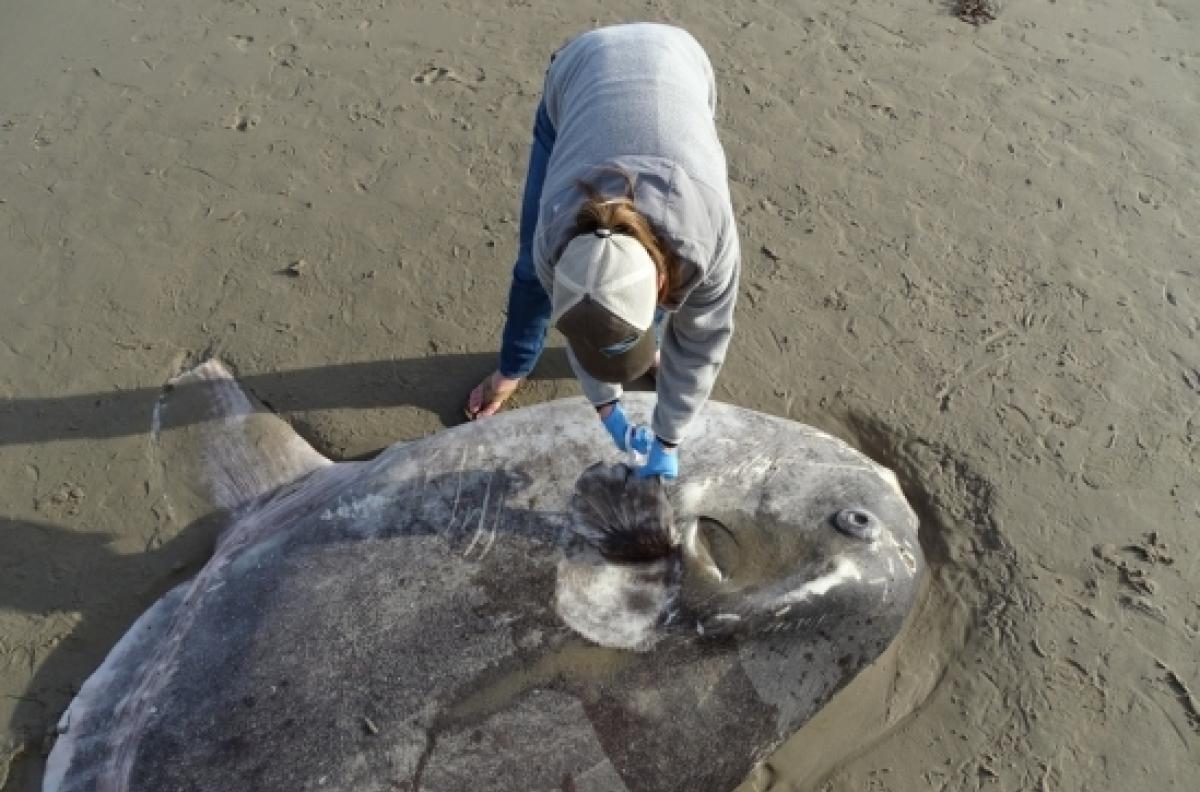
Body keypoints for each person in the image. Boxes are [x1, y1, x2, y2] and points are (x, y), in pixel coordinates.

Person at [464, 23, 740, 480]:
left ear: (662, 281)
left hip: (680, 64)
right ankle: (512, 368)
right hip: (580, 73)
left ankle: (636, 339)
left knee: (630, 306)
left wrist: (669, 438)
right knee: (529, 277)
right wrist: (608, 408)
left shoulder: (707, 242)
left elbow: (701, 345)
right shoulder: (553, 235)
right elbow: (583, 322)